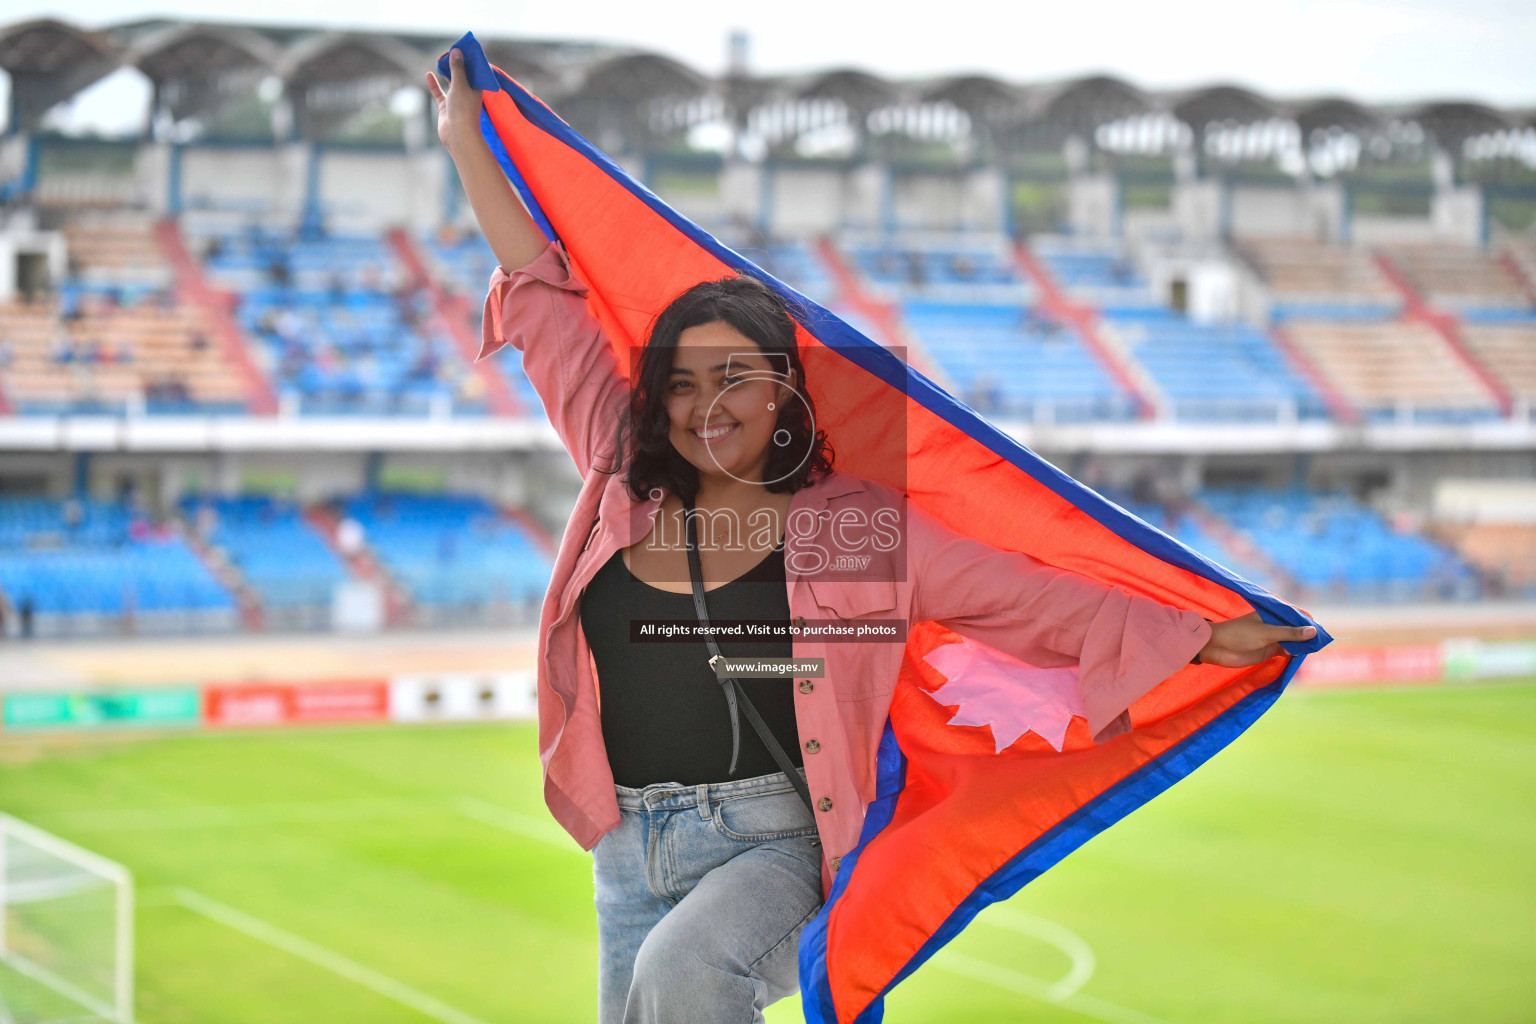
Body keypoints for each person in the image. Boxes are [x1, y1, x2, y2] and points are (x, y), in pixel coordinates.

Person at [428, 47, 1314, 1024]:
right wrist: (470, 141)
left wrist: (1204, 633)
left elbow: (1032, 600)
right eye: (683, 381)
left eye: (737, 382)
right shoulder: (619, 462)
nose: (705, 407)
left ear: (784, 402)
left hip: (776, 838)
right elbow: (538, 287)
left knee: (687, 979)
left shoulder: (853, 530)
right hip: (630, 842)